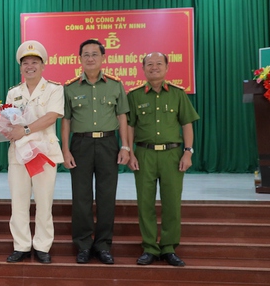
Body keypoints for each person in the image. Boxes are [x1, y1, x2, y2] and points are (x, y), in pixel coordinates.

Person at [127, 52, 199, 267]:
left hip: (172, 155)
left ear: (167, 67)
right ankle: (149, 247)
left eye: (159, 64)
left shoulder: (178, 94)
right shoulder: (135, 95)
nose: (154, 67)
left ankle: (168, 248)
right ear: (143, 68)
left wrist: (188, 152)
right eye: (149, 64)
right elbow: (130, 126)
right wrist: (130, 152)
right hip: (144, 154)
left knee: (172, 203)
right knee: (145, 203)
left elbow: (187, 124)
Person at [61, 39, 130, 265]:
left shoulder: (115, 85)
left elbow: (122, 117)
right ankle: (82, 244)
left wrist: (125, 146)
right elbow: (66, 121)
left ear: (103, 58)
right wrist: (65, 150)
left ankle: (103, 245)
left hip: (108, 144)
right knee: (81, 197)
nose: (90, 58)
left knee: (106, 196)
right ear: (79, 59)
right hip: (80, 145)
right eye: (86, 55)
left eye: (94, 54)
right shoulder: (70, 88)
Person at [4, 41, 64, 264]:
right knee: (18, 202)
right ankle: (21, 245)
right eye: (25, 63)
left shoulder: (55, 89)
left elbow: (51, 116)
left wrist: (25, 129)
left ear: (43, 65)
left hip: (44, 152)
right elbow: (9, 120)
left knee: (44, 201)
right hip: (19, 154)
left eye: (34, 62)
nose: (30, 66)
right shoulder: (13, 93)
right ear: (20, 68)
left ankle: (42, 246)